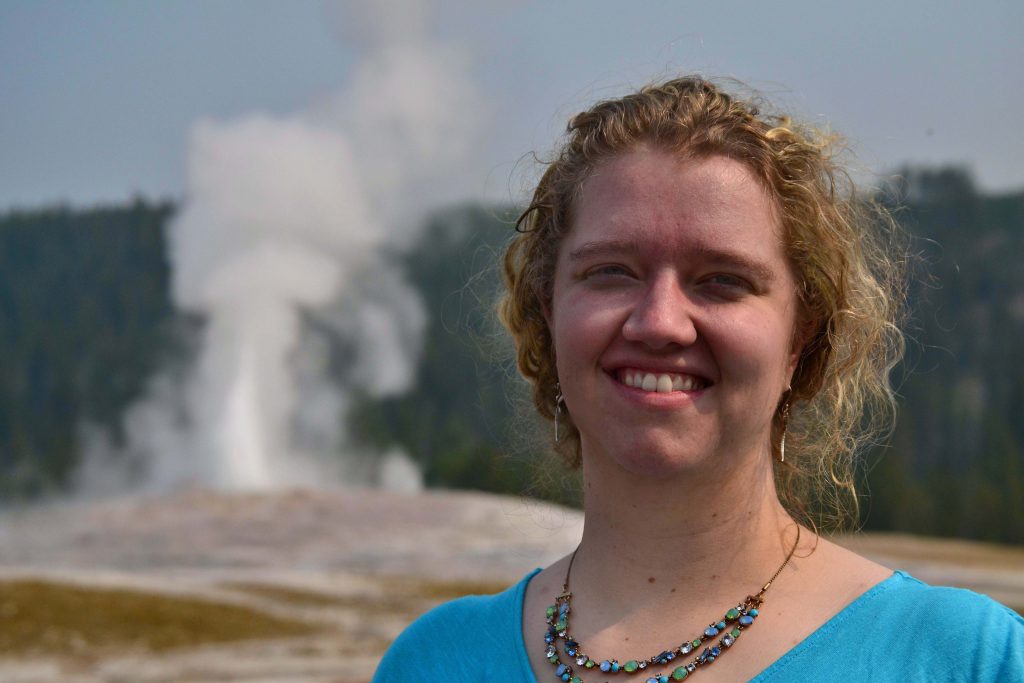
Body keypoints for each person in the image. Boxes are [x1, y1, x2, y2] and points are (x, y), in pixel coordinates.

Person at [372, 76, 1024, 682]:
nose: (660, 322)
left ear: (801, 335)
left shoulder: (966, 658)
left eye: (722, 280)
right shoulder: (433, 662)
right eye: (612, 271)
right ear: (549, 310)